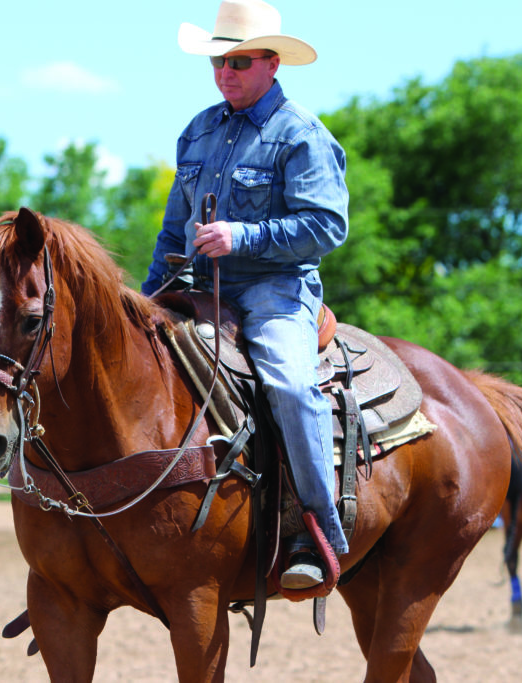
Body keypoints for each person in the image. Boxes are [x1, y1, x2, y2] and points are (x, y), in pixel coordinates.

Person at [142, 0, 350, 590]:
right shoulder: (198, 129)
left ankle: (316, 530)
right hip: (191, 288)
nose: (224, 72)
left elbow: (326, 227)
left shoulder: (301, 135)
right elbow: (172, 229)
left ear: (271, 63)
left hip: (274, 290)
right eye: (217, 61)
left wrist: (243, 236)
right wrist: (147, 297)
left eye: (238, 61)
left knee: (288, 382)